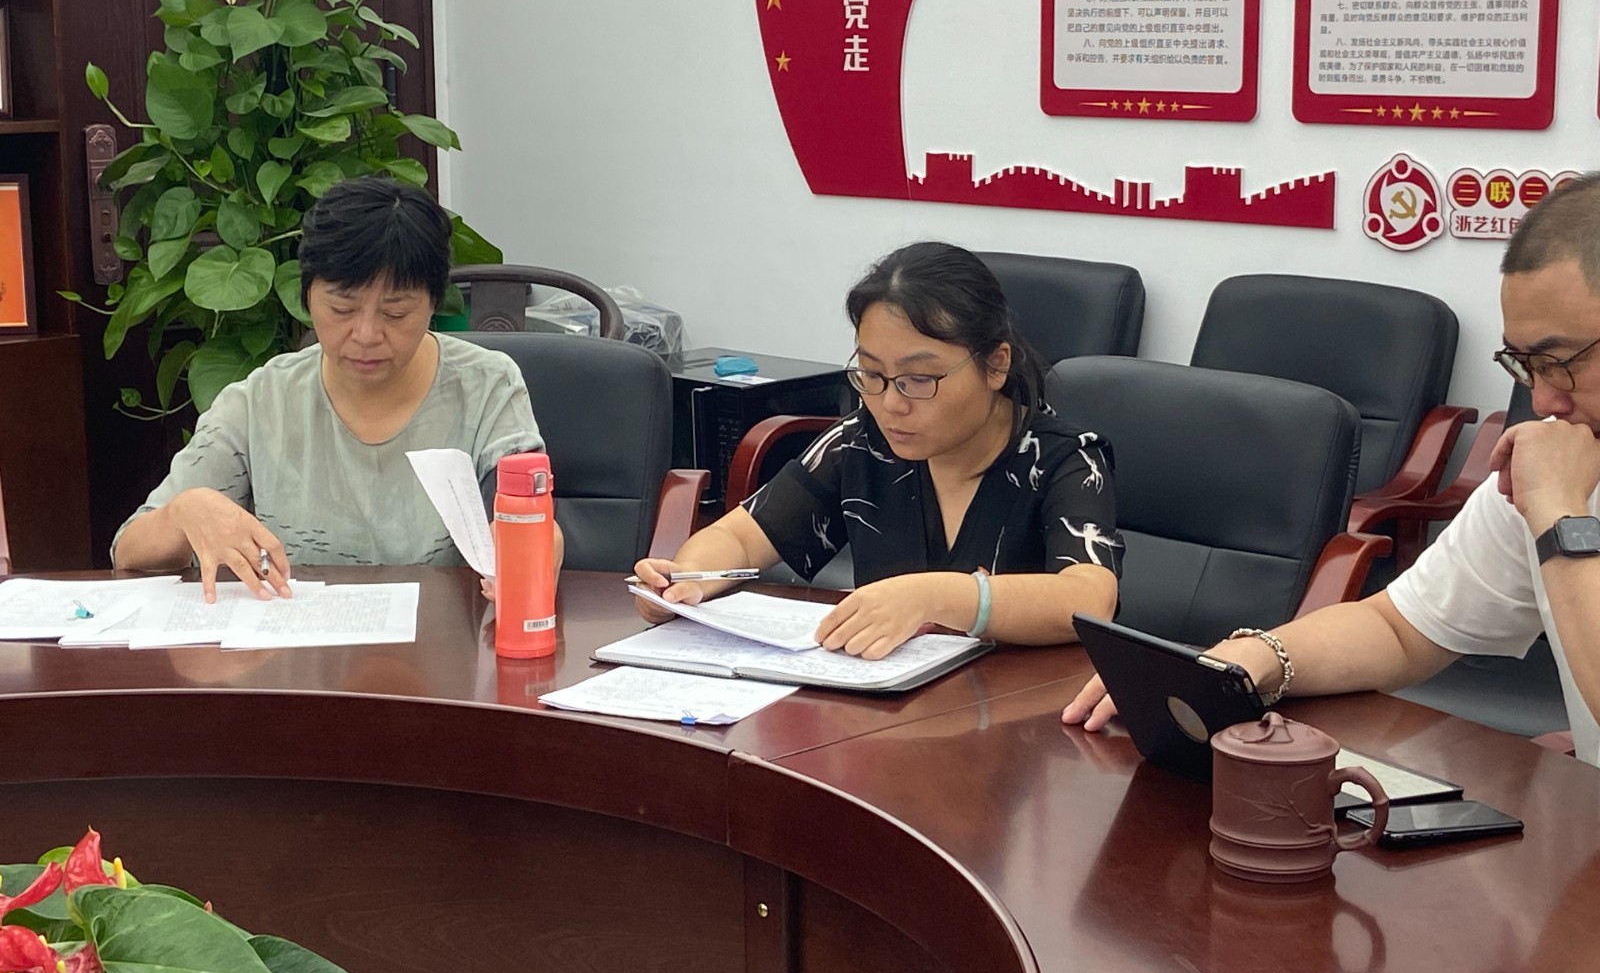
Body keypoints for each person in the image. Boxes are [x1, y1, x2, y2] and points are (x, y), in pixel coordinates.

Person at [1064, 173, 1600, 767]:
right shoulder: (1552, 467)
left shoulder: (1555, 491)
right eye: (1524, 365)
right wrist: (1250, 660)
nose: (1544, 402)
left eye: (1560, 362)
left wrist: (1562, 518)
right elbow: (1399, 629)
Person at [632, 241, 1123, 658]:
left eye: (919, 379)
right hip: (882, 712)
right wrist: (688, 580)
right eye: (872, 374)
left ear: (995, 365)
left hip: (1020, 718)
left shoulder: (1065, 459)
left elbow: (1087, 599)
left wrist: (936, 596)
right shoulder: (862, 442)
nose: (891, 405)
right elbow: (741, 538)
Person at [113, 176, 562, 599]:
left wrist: (526, 559)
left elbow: (536, 519)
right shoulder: (262, 401)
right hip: (299, 648)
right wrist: (186, 511)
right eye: (342, 309)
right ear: (307, 296)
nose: (366, 334)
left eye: (396, 313)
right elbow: (128, 552)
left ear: (433, 304)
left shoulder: (487, 386)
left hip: (443, 644)